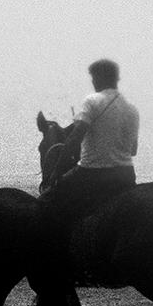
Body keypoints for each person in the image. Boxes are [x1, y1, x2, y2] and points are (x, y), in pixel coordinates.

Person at [44, 58, 139, 223]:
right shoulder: (132, 109)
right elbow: (133, 150)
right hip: (126, 175)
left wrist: (56, 172)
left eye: (94, 79)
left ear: (101, 78)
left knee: (47, 203)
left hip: (93, 173)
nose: (93, 82)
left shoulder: (92, 101)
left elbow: (74, 139)